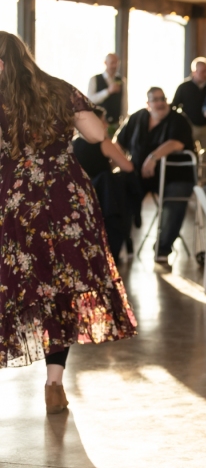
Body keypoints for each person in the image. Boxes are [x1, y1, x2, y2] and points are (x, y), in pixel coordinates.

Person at [0, 32, 137, 413]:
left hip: (15, 201)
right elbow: (96, 134)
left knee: (13, 284)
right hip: (65, 199)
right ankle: (54, 383)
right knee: (61, 286)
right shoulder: (57, 89)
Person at [115, 87, 195, 262]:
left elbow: (175, 143)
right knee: (118, 193)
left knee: (174, 201)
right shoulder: (137, 118)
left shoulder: (178, 119)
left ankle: (163, 249)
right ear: (148, 103)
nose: (160, 103)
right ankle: (119, 246)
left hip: (176, 175)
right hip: (139, 174)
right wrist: (122, 163)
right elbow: (118, 144)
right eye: (155, 100)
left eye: (162, 99)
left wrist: (153, 157)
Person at [72, 106, 135, 262]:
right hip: (103, 198)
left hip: (80, 195)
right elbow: (128, 167)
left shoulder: (74, 143)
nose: (106, 124)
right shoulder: (103, 143)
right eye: (103, 120)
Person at [172, 57, 206, 150]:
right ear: (194, 72)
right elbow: (175, 105)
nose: (205, 74)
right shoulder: (184, 87)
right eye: (202, 71)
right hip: (189, 126)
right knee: (189, 150)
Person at [88, 53, 127, 136]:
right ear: (105, 63)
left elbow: (124, 102)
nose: (115, 66)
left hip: (116, 124)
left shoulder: (122, 81)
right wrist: (108, 91)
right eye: (112, 63)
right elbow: (90, 100)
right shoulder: (94, 79)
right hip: (98, 123)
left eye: (117, 63)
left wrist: (124, 121)